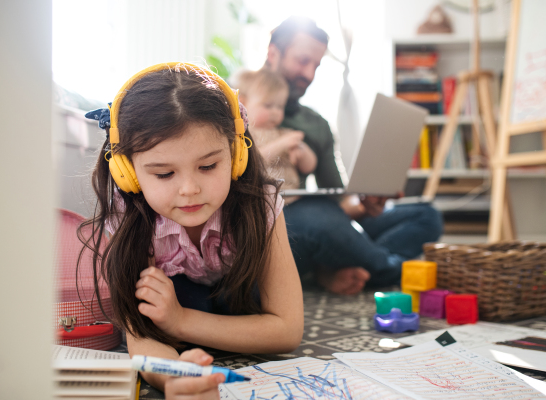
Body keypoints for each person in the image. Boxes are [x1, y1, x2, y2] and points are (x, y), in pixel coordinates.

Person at [80, 63, 303, 398]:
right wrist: (174, 378)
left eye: (208, 166)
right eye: (164, 174)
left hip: (238, 297)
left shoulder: (261, 203)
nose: (189, 189)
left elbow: (286, 329)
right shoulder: (129, 217)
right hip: (179, 299)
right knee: (168, 300)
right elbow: (141, 337)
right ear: (129, 173)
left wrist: (181, 321)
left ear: (236, 154)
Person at [265, 17, 443, 296]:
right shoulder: (237, 105)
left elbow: (338, 198)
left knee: (426, 215)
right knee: (319, 218)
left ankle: (342, 267)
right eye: (302, 61)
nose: (309, 74)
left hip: (320, 221)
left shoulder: (316, 124)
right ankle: (388, 269)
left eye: (316, 65)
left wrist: (364, 204)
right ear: (273, 53)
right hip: (274, 223)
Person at [232, 68, 317, 204]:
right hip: (260, 201)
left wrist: (300, 148)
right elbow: (251, 163)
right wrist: (282, 144)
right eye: (268, 105)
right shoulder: (243, 134)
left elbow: (309, 167)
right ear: (243, 103)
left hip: (292, 198)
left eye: (280, 106)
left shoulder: (284, 133)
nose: (275, 112)